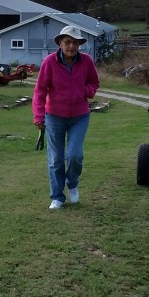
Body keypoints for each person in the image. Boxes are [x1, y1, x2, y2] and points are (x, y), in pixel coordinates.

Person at [33, 25, 100, 210]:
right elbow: (40, 91)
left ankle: (72, 183)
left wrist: (85, 91)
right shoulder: (49, 62)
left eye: (75, 43)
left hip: (79, 116)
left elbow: (94, 82)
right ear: (60, 44)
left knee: (74, 155)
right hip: (54, 116)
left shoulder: (86, 61)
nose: (71, 46)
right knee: (56, 159)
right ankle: (57, 197)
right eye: (68, 42)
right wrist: (39, 116)